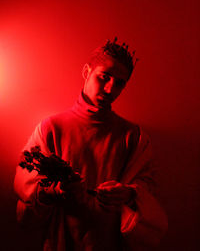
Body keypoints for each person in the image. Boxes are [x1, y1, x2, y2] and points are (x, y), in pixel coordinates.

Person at [14, 38, 168, 251]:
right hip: (61, 239)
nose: (110, 89)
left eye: (120, 83)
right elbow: (26, 186)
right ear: (87, 72)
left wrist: (130, 193)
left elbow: (148, 184)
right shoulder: (51, 128)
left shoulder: (133, 136)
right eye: (104, 77)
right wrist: (51, 192)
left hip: (111, 242)